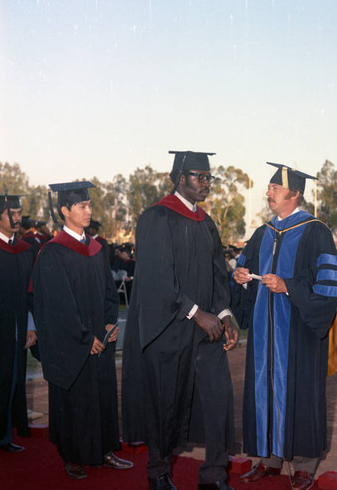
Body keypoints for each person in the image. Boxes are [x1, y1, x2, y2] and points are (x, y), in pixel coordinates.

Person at [122, 150, 239, 490]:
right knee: (165, 405)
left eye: (209, 177)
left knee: (218, 401)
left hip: (208, 332)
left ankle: (214, 477)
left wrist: (224, 314)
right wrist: (194, 312)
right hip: (170, 331)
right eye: (200, 176)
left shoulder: (206, 222)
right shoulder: (156, 218)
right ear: (180, 177)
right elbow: (157, 277)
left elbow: (220, 274)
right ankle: (158, 474)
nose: (206, 183)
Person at [232, 163, 337, 490]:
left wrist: (288, 287)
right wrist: (239, 277)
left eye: (274, 189)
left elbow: (329, 289)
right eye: (268, 188)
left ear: (294, 194)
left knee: (302, 394)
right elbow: (244, 266)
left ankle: (306, 465)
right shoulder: (263, 233)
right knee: (264, 389)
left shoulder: (315, 231)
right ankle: (269, 460)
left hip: (299, 333)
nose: (268, 193)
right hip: (266, 335)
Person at [31, 181, 133, 480]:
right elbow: (55, 306)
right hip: (73, 344)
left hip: (99, 338)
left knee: (101, 395)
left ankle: (103, 449)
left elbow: (108, 294)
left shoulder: (97, 249)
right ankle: (72, 456)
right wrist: (83, 338)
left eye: (90, 206)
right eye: (82, 206)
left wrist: (110, 323)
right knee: (75, 398)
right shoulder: (53, 253)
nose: (89, 211)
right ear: (65, 210)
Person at [0, 193, 37, 452]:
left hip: (16, 326)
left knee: (10, 379)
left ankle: (4, 437)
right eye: (10, 213)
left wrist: (31, 325)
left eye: (18, 212)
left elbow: (31, 293)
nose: (16, 217)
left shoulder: (25, 251)